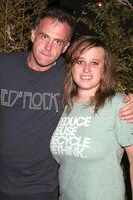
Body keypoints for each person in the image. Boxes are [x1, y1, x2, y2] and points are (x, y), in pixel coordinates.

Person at [0, 7, 132, 200]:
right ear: (33, 34)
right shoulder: (3, 67)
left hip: (42, 188)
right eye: (44, 37)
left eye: (57, 41)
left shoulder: (69, 75)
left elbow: (100, 87)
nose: (48, 47)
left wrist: (129, 100)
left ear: (65, 47)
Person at [50, 35, 133, 200]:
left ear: (104, 69)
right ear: (71, 66)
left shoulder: (119, 104)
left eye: (95, 63)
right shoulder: (64, 106)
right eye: (80, 61)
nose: (86, 69)